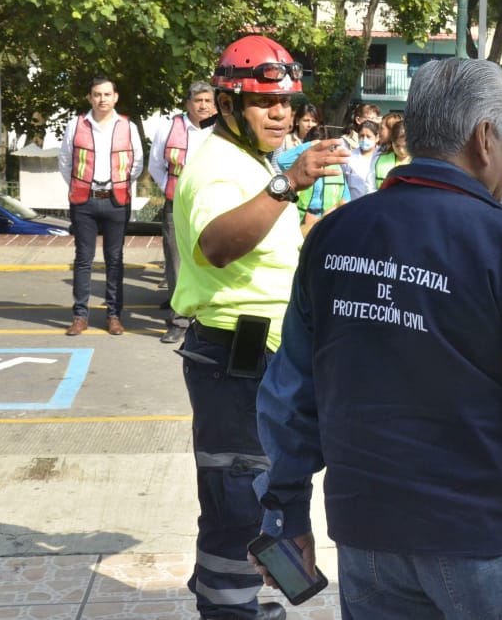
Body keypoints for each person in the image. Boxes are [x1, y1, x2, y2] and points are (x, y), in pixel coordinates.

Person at [252, 58, 502, 619]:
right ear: (484, 138)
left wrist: (285, 514)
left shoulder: (334, 236)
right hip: (488, 545)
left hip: (367, 537)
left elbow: (289, 393)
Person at [174, 34, 348, 620]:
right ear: (227, 105)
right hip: (233, 357)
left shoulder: (251, 159)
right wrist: (288, 185)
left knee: (257, 489)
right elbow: (218, 245)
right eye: (263, 103)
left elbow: (267, 247)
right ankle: (229, 610)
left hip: (261, 355)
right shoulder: (218, 161)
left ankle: (235, 600)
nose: (281, 114)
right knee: (238, 497)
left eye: (288, 105)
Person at [57, 75, 144, 336]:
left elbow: (137, 163)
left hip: (116, 200)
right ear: (89, 97)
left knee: (115, 260)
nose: (102, 99)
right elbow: (65, 162)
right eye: (97, 94)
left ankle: (114, 316)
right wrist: (82, 185)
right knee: (83, 260)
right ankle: (80, 315)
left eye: (107, 94)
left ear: (115, 97)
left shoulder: (128, 127)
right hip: (85, 200)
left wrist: (119, 184)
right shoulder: (75, 125)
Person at [148, 81, 218, 345]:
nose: (203, 105)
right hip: (176, 203)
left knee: (210, 259)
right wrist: (173, 191)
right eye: (198, 100)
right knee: (176, 261)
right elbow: (156, 165)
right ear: (188, 103)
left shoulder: (222, 128)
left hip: (212, 204)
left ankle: (207, 319)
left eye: (207, 101)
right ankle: (179, 321)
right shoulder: (169, 127)